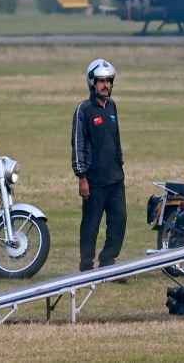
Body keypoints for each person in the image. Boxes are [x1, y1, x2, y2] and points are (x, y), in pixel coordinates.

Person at [71, 58, 126, 272]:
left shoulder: (112, 106)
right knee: (91, 225)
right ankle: (86, 266)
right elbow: (77, 144)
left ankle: (108, 262)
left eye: (109, 81)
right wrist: (81, 177)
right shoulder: (83, 110)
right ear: (92, 83)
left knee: (119, 221)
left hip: (115, 178)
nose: (106, 85)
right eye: (101, 81)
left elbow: (116, 139)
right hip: (93, 180)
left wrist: (120, 163)